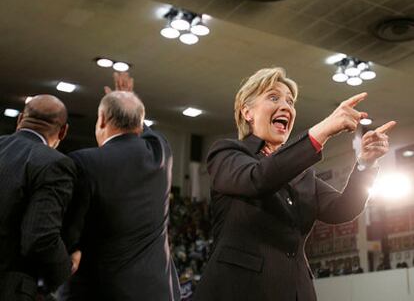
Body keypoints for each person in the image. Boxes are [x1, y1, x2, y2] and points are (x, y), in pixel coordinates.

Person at [194, 67, 396, 301]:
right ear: (247, 112)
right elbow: (258, 179)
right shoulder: (227, 154)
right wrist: (323, 130)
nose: (286, 106)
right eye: (273, 97)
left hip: (296, 291)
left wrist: (365, 164)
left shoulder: (303, 174)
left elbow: (344, 208)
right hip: (239, 289)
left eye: (290, 102)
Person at [60, 87, 180, 300]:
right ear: (139, 123)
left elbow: (70, 232)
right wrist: (129, 102)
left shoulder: (84, 162)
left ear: (102, 120)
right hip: (158, 292)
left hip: (104, 291)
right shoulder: (161, 152)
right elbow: (146, 129)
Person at [0, 95, 76, 300]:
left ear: (20, 120)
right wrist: (65, 270)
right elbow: (40, 238)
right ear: (63, 131)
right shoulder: (54, 163)